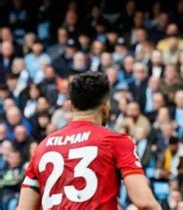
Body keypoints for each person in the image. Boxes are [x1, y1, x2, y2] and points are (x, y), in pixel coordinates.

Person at [17, 72, 161, 210]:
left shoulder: (44, 147)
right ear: (106, 106)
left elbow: (24, 208)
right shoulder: (116, 142)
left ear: (72, 105)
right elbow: (145, 203)